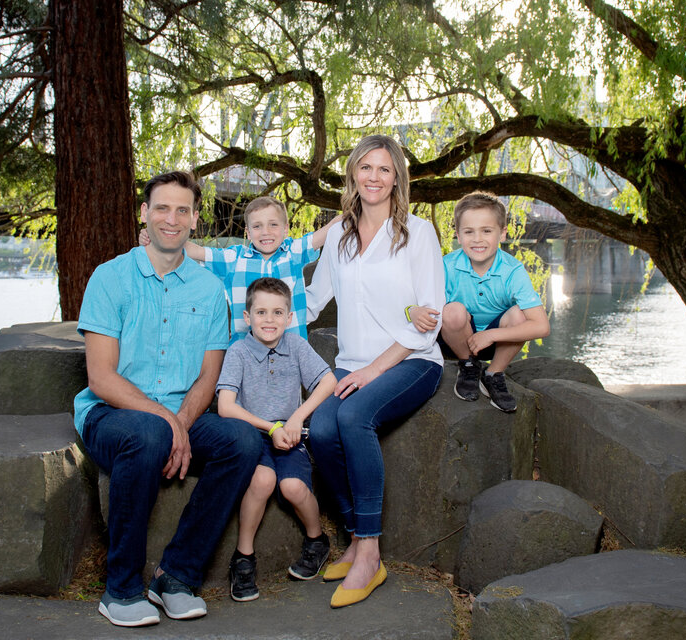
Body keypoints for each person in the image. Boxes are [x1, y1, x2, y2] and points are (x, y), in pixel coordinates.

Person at [73, 171, 260, 628]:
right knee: (148, 431)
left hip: (182, 414)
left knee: (243, 441)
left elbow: (207, 377)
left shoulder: (208, 290)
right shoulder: (109, 277)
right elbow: (101, 377)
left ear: (195, 219)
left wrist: (181, 420)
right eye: (161, 208)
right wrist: (168, 422)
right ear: (144, 213)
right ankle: (120, 589)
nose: (170, 219)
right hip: (111, 416)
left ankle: (176, 576)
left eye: (182, 210)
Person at [305, 134, 445, 608]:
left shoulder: (418, 233)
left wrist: (372, 372)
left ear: (397, 178)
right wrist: (255, 312)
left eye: (384, 169)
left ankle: (370, 552)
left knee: (351, 418)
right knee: (319, 431)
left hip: (412, 359)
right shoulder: (340, 233)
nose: (374, 177)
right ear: (352, 174)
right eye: (366, 167)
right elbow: (310, 301)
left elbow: (429, 317)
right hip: (351, 365)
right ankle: (355, 538)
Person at [215, 277, 337, 602]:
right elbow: (225, 407)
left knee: (293, 487)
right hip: (253, 436)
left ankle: (316, 540)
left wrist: (297, 418)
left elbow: (328, 382)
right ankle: (243, 558)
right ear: (247, 317)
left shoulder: (296, 346)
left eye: (278, 313)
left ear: (289, 317)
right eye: (262, 312)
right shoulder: (238, 351)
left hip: (291, 435)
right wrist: (269, 428)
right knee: (262, 480)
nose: (269, 320)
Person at [408, 191, 550, 413]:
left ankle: (494, 373)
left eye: (486, 231)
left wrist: (491, 335)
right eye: (469, 232)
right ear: (458, 234)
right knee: (451, 310)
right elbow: (416, 302)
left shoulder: (513, 270)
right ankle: (468, 366)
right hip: (457, 338)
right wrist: (413, 310)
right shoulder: (446, 266)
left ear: (502, 233)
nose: (477, 239)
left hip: (496, 342)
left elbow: (542, 326)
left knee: (519, 316)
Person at [140, 195, 340, 344]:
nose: (266, 232)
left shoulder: (293, 251)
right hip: (246, 352)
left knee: (289, 399)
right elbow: (197, 251)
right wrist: (157, 237)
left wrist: (358, 211)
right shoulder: (234, 258)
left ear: (286, 228)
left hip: (291, 349)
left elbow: (330, 229)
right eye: (258, 226)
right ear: (248, 232)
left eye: (273, 225)